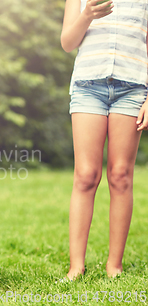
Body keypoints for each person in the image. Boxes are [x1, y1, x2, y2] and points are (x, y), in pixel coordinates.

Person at [61, 0, 148, 280]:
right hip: (89, 87)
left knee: (121, 175)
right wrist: (87, 14)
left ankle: (115, 266)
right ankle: (77, 266)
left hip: (133, 88)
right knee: (85, 175)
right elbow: (67, 42)